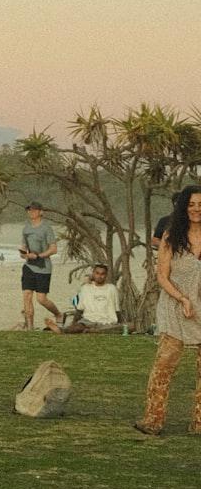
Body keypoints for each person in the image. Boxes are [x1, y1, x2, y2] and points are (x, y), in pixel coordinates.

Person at [135, 186, 201, 435]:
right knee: (164, 365)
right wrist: (182, 299)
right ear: (184, 206)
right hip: (175, 306)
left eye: (200, 204)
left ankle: (199, 423)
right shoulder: (172, 234)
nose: (196, 209)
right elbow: (162, 275)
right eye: (192, 204)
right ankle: (153, 420)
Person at [19, 200, 63, 329]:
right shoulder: (26, 228)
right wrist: (23, 253)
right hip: (29, 266)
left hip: (43, 267)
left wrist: (38, 255)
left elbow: (54, 249)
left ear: (40, 212)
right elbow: (24, 245)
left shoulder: (46, 228)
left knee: (41, 299)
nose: (31, 212)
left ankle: (58, 314)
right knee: (27, 295)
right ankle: (30, 327)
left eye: (33, 210)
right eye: (29, 210)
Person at [47, 264, 121, 334]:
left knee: (130, 326)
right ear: (93, 274)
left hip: (107, 322)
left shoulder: (112, 288)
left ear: (106, 275)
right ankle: (61, 330)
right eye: (97, 273)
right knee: (77, 327)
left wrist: (119, 323)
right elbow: (79, 309)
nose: (99, 276)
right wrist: (73, 324)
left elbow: (117, 310)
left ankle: (91, 331)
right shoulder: (86, 288)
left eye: (102, 274)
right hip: (88, 320)